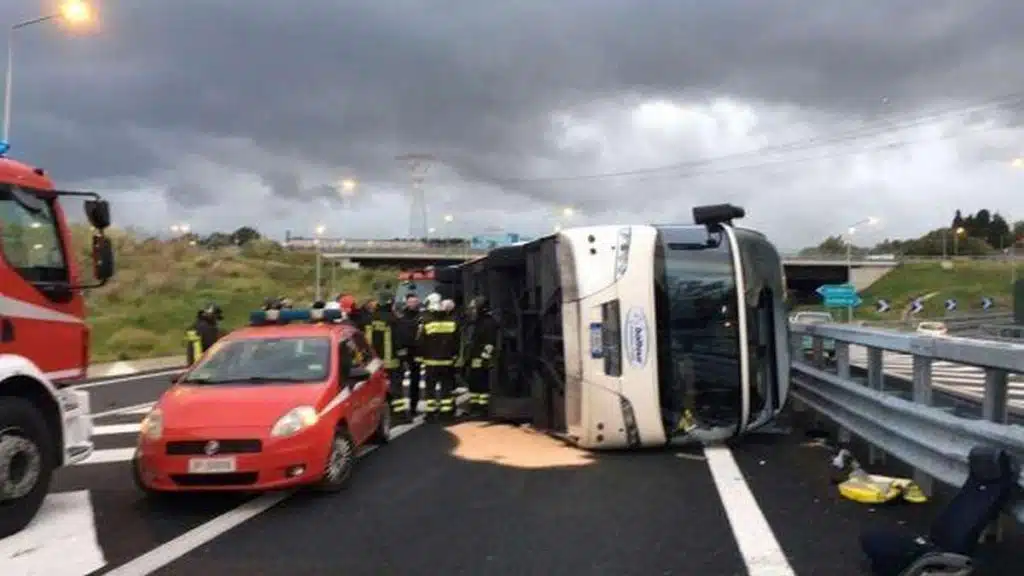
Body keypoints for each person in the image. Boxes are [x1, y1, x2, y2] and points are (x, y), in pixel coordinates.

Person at [416, 293, 460, 420]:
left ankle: (431, 413)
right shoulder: (452, 322)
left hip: (431, 362)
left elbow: (420, 342)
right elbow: (457, 341)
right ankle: (446, 413)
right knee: (446, 387)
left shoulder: (426, 322)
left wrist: (419, 358)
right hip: (447, 361)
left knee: (430, 389)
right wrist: (454, 356)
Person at [461, 296, 498, 416]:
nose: (471, 310)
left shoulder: (489, 322)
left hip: (481, 358)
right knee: (473, 382)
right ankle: (474, 407)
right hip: (473, 357)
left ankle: (482, 408)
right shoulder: (476, 322)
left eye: (473, 308)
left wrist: (484, 358)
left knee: (481, 383)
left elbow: (490, 342)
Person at [390, 294, 422, 421]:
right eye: (410, 302)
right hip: (403, 352)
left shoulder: (421, 317)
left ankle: (413, 407)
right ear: (406, 303)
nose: (413, 304)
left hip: (417, 352)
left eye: (415, 302)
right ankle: (399, 408)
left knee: (415, 380)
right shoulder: (400, 317)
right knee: (399, 380)